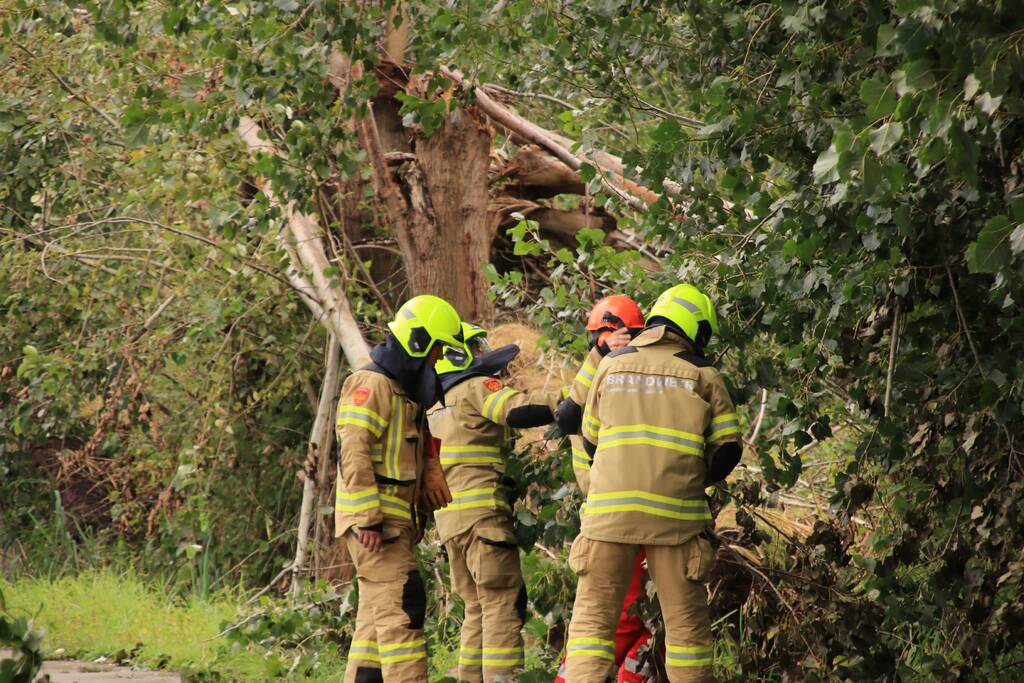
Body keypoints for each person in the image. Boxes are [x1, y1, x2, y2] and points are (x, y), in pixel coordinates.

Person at [565, 284, 743, 683]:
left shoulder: (611, 366)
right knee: (686, 631)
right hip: (676, 523)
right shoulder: (703, 375)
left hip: (608, 516)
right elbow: (728, 450)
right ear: (696, 331)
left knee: (592, 627)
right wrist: (694, 477)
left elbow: (590, 437)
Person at [335, 295, 464, 683]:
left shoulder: (401, 392)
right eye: (438, 349)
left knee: (374, 629)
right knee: (404, 609)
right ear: (419, 342)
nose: (439, 359)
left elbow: (406, 452)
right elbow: (352, 450)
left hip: (392, 525)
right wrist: (367, 520)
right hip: (378, 527)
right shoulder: (371, 383)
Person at [428, 323, 561, 683]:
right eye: (477, 348)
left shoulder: (435, 405)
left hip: (451, 525)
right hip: (483, 518)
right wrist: (564, 403)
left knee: (477, 608)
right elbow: (516, 411)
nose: (484, 355)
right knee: (502, 603)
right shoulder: (475, 387)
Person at [553, 295, 651, 683]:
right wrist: (601, 355)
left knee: (616, 625)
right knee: (618, 625)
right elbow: (567, 416)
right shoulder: (600, 374)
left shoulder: (637, 373)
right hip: (618, 515)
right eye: (598, 338)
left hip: (618, 514)